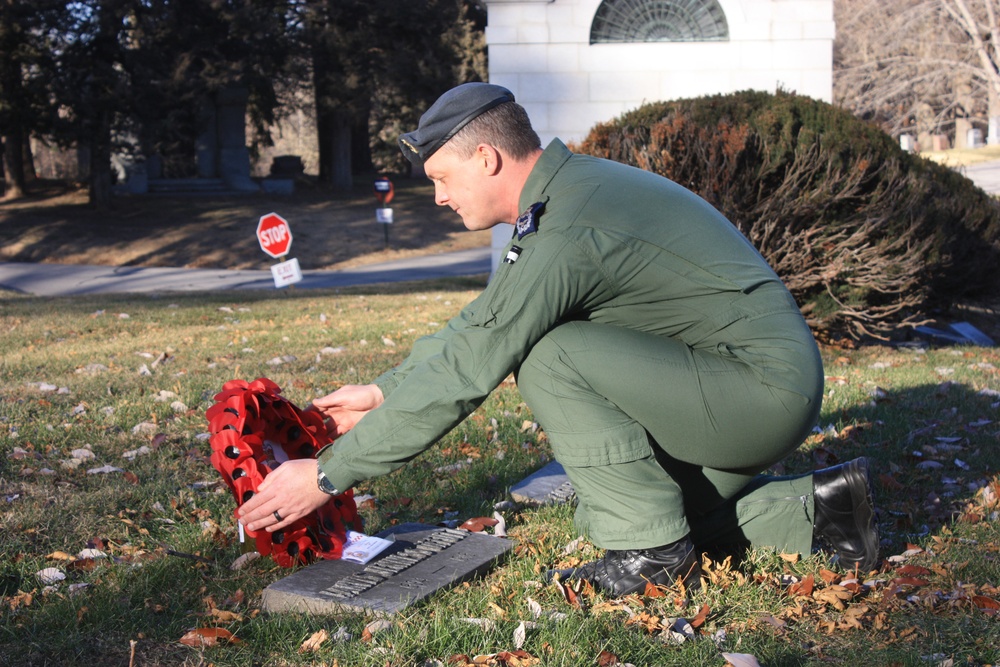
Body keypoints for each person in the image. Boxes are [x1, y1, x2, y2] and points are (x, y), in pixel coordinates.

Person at [238, 82, 880, 596]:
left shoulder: (567, 226)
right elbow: (481, 323)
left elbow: (474, 367)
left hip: (756, 394)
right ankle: (823, 512)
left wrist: (325, 475)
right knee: (610, 505)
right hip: (743, 387)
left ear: (486, 158)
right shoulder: (569, 196)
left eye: (441, 177)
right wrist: (383, 391)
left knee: (547, 355)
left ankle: (650, 557)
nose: (437, 198)